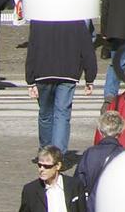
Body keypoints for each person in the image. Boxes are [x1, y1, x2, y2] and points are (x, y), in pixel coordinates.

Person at [24, 14, 97, 152]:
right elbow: (87, 48)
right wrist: (90, 77)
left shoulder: (39, 18)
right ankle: (57, 154)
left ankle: (45, 150)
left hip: (43, 71)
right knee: (62, 115)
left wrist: (30, 80)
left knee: (45, 114)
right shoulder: (76, 19)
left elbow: (32, 48)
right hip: (68, 72)